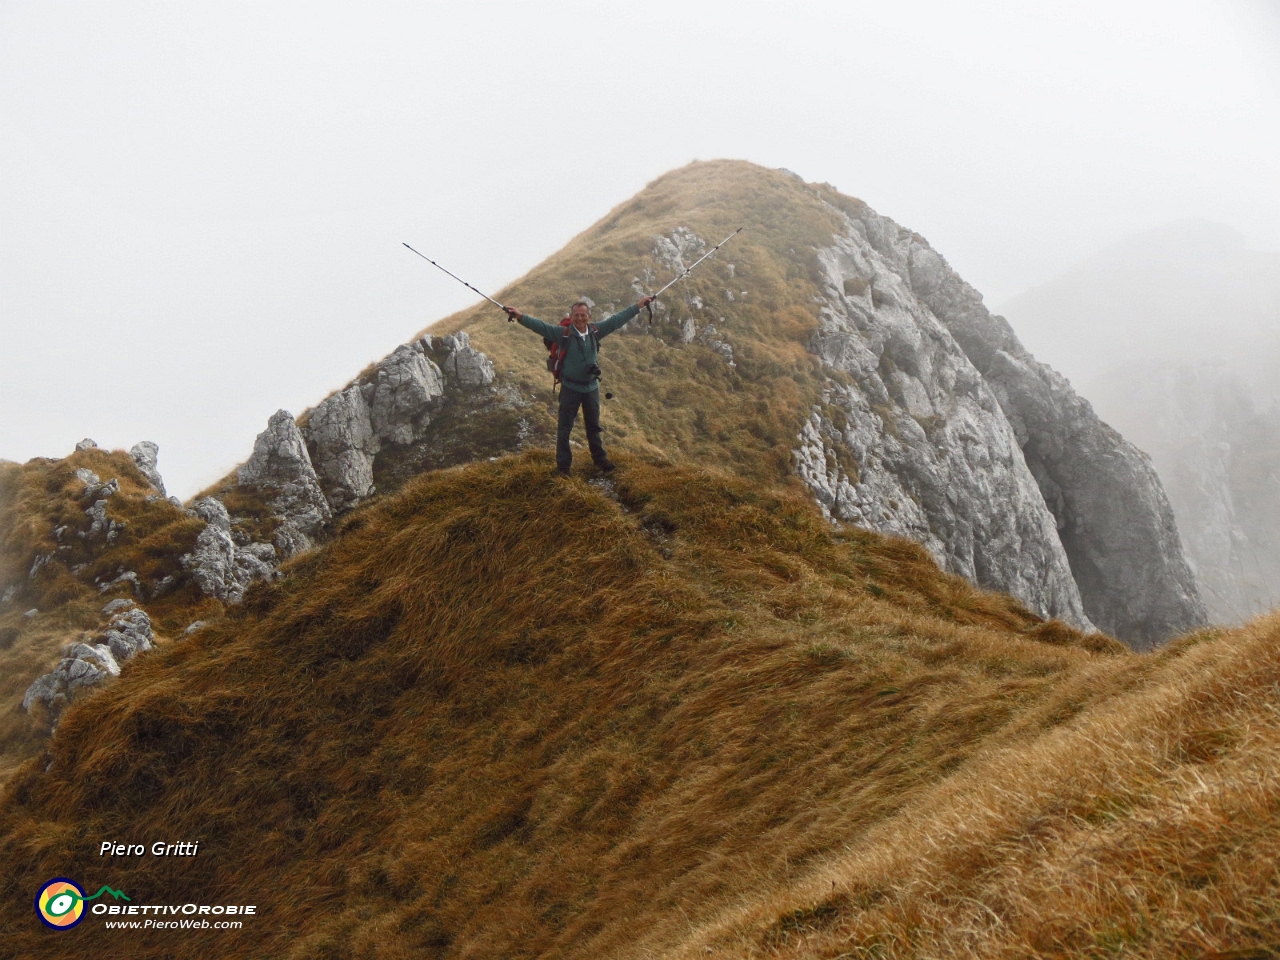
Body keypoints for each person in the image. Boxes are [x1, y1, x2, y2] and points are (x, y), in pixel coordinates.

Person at [504, 296, 655, 475]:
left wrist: (639, 305)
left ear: (589, 317)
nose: (580, 318)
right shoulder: (563, 333)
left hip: (591, 388)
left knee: (594, 426)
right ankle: (563, 467)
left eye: (583, 315)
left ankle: (600, 460)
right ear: (572, 316)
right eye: (576, 315)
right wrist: (520, 316)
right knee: (565, 428)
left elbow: (617, 319)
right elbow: (540, 326)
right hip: (570, 388)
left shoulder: (596, 331)